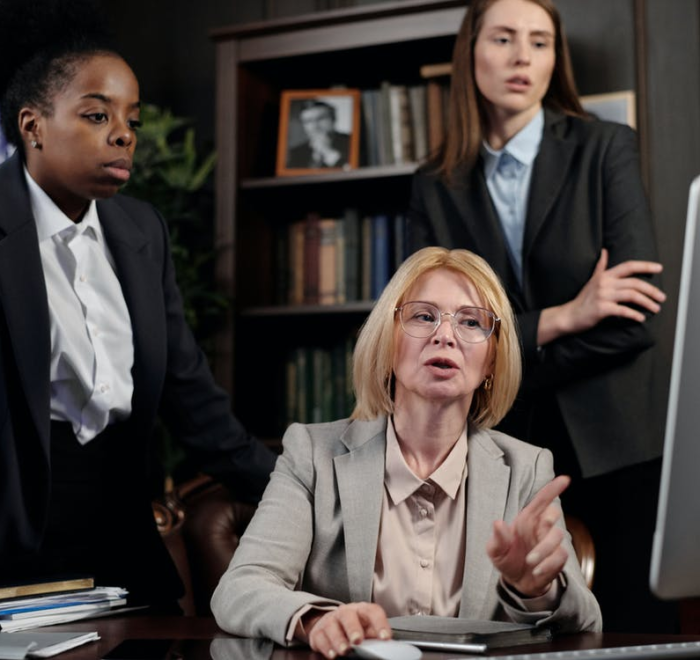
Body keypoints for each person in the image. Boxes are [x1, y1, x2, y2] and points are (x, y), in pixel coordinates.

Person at [406, 0, 673, 633]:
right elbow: (429, 330)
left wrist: (501, 349)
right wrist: (568, 314)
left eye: (540, 41)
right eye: (503, 38)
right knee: (512, 634)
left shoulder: (605, 148)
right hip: (496, 447)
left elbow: (636, 321)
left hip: (618, 447)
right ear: (471, 51)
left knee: (634, 634)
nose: (523, 56)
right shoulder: (435, 183)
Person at [0, 0, 277, 610]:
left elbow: (192, 397)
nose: (123, 134)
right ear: (32, 126)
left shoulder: (140, 231)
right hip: (17, 544)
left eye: (132, 120)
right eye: (97, 115)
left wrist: (298, 493)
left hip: (122, 535)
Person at [211, 247, 602, 658]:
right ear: (388, 343)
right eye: (424, 316)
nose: (445, 335)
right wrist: (316, 621)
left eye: (471, 322)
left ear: (491, 361)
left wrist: (535, 590)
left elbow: (587, 624)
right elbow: (240, 587)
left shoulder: (526, 469)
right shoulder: (312, 454)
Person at [286, 99, 351, 169]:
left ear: (334, 119)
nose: (315, 126)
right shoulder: (296, 152)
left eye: (320, 118)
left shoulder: (352, 142)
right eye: (308, 121)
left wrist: (328, 152)